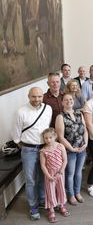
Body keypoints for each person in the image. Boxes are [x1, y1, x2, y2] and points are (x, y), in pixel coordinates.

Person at [12, 87, 52, 220]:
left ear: (43, 96)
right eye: (34, 96)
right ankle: (33, 206)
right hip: (28, 150)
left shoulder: (48, 109)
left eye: (39, 96)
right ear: (28, 96)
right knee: (31, 181)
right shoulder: (20, 112)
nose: (37, 99)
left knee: (42, 177)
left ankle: (41, 201)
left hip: (44, 149)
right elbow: (16, 135)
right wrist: (26, 147)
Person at [55, 93, 88, 205]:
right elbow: (60, 137)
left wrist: (86, 143)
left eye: (70, 99)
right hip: (69, 150)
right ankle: (70, 194)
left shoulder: (79, 113)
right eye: (66, 100)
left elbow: (85, 130)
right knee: (70, 173)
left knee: (78, 172)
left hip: (82, 148)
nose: (69, 101)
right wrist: (72, 149)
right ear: (62, 102)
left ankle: (77, 192)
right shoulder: (60, 117)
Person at [40, 128, 70, 223]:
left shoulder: (60, 146)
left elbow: (65, 160)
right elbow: (43, 165)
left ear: (55, 137)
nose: (48, 140)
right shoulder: (43, 151)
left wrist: (60, 171)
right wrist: (48, 176)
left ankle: (61, 205)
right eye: (46, 138)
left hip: (60, 173)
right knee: (50, 191)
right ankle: (51, 209)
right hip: (49, 174)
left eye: (50, 137)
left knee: (61, 188)